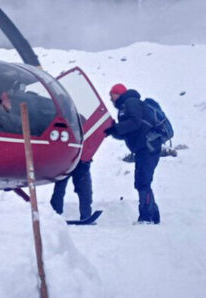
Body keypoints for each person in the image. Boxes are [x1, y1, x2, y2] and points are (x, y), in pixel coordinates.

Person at [104, 83, 161, 224]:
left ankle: (146, 217)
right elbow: (128, 131)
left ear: (118, 93)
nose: (111, 99)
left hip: (148, 147)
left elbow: (135, 122)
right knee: (143, 181)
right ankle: (153, 216)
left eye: (112, 95)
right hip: (144, 148)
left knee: (142, 182)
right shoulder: (125, 107)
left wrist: (115, 128)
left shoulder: (130, 102)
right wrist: (112, 131)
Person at [51, 115, 94, 221]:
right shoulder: (65, 121)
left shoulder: (80, 120)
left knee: (84, 189)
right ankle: (55, 213)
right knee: (61, 189)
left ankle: (86, 214)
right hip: (67, 159)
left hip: (78, 161)